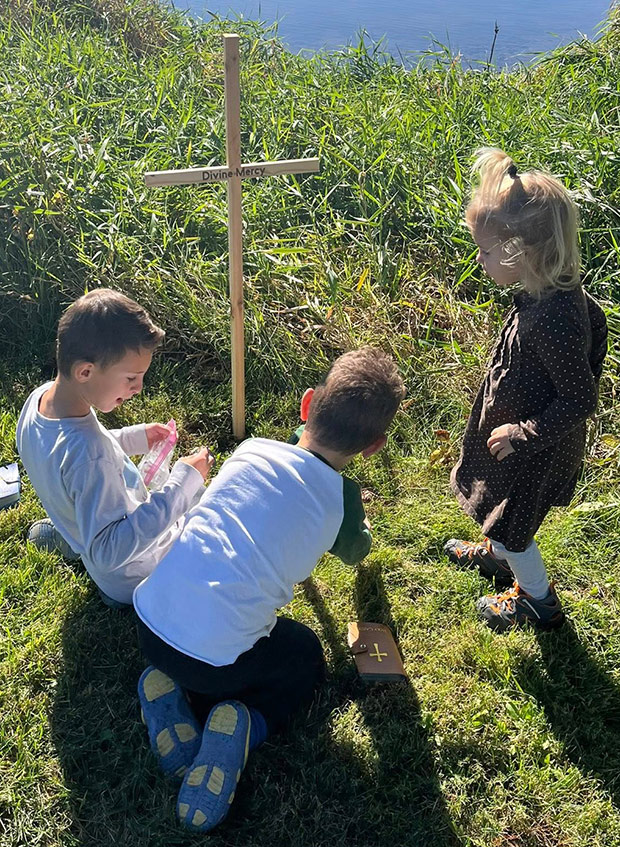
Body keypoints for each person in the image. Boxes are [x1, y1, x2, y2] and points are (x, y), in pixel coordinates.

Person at [133, 347, 405, 833]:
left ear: (305, 405)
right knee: (304, 657)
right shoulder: (340, 503)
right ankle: (245, 725)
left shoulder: (250, 449)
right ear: (374, 447)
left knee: (204, 632)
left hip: (150, 626)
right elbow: (353, 551)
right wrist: (360, 527)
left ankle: (170, 699)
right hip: (215, 667)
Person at [445, 148, 608, 632]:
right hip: (515, 433)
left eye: (488, 251)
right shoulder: (544, 294)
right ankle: (496, 554)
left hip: (535, 449)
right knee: (499, 506)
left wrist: (524, 430)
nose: (480, 260)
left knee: (516, 526)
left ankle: (537, 599)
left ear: (524, 251)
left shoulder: (554, 318)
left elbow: (580, 399)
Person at [16, 288, 212, 607]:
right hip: (136, 575)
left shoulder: (40, 402)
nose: (139, 388)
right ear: (85, 372)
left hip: (88, 525)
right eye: (131, 378)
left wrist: (136, 437)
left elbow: (79, 457)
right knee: (209, 504)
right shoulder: (89, 455)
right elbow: (109, 553)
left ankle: (71, 534)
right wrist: (183, 483)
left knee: (86, 512)